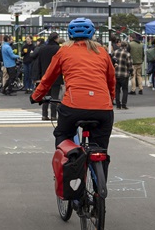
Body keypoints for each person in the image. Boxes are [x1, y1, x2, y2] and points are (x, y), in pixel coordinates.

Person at [30, 18, 115, 174]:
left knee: (62, 133)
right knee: (101, 149)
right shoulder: (102, 51)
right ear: (92, 34)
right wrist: (111, 98)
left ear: (69, 34)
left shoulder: (64, 51)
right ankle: (99, 190)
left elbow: (48, 78)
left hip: (73, 107)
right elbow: (111, 80)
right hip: (103, 108)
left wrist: (36, 96)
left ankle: (71, 158)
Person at [31, 32, 63, 121]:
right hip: (56, 76)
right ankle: (53, 115)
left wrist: (40, 75)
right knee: (54, 97)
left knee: (45, 96)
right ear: (56, 39)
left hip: (45, 75)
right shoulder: (59, 49)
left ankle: (44, 115)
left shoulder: (42, 49)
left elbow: (39, 63)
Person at [111, 37, 132, 109]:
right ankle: (124, 104)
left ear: (120, 45)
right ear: (126, 46)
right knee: (125, 90)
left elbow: (112, 62)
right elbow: (129, 64)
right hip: (124, 74)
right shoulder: (127, 54)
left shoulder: (115, 52)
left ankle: (118, 104)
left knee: (117, 90)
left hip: (116, 74)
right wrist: (131, 72)